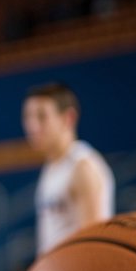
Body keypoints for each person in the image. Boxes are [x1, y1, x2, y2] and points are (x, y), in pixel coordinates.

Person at [23, 83, 115, 256]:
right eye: (28, 117)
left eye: (42, 116)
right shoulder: (52, 166)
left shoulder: (83, 167)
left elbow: (94, 245)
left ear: (68, 118)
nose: (32, 126)